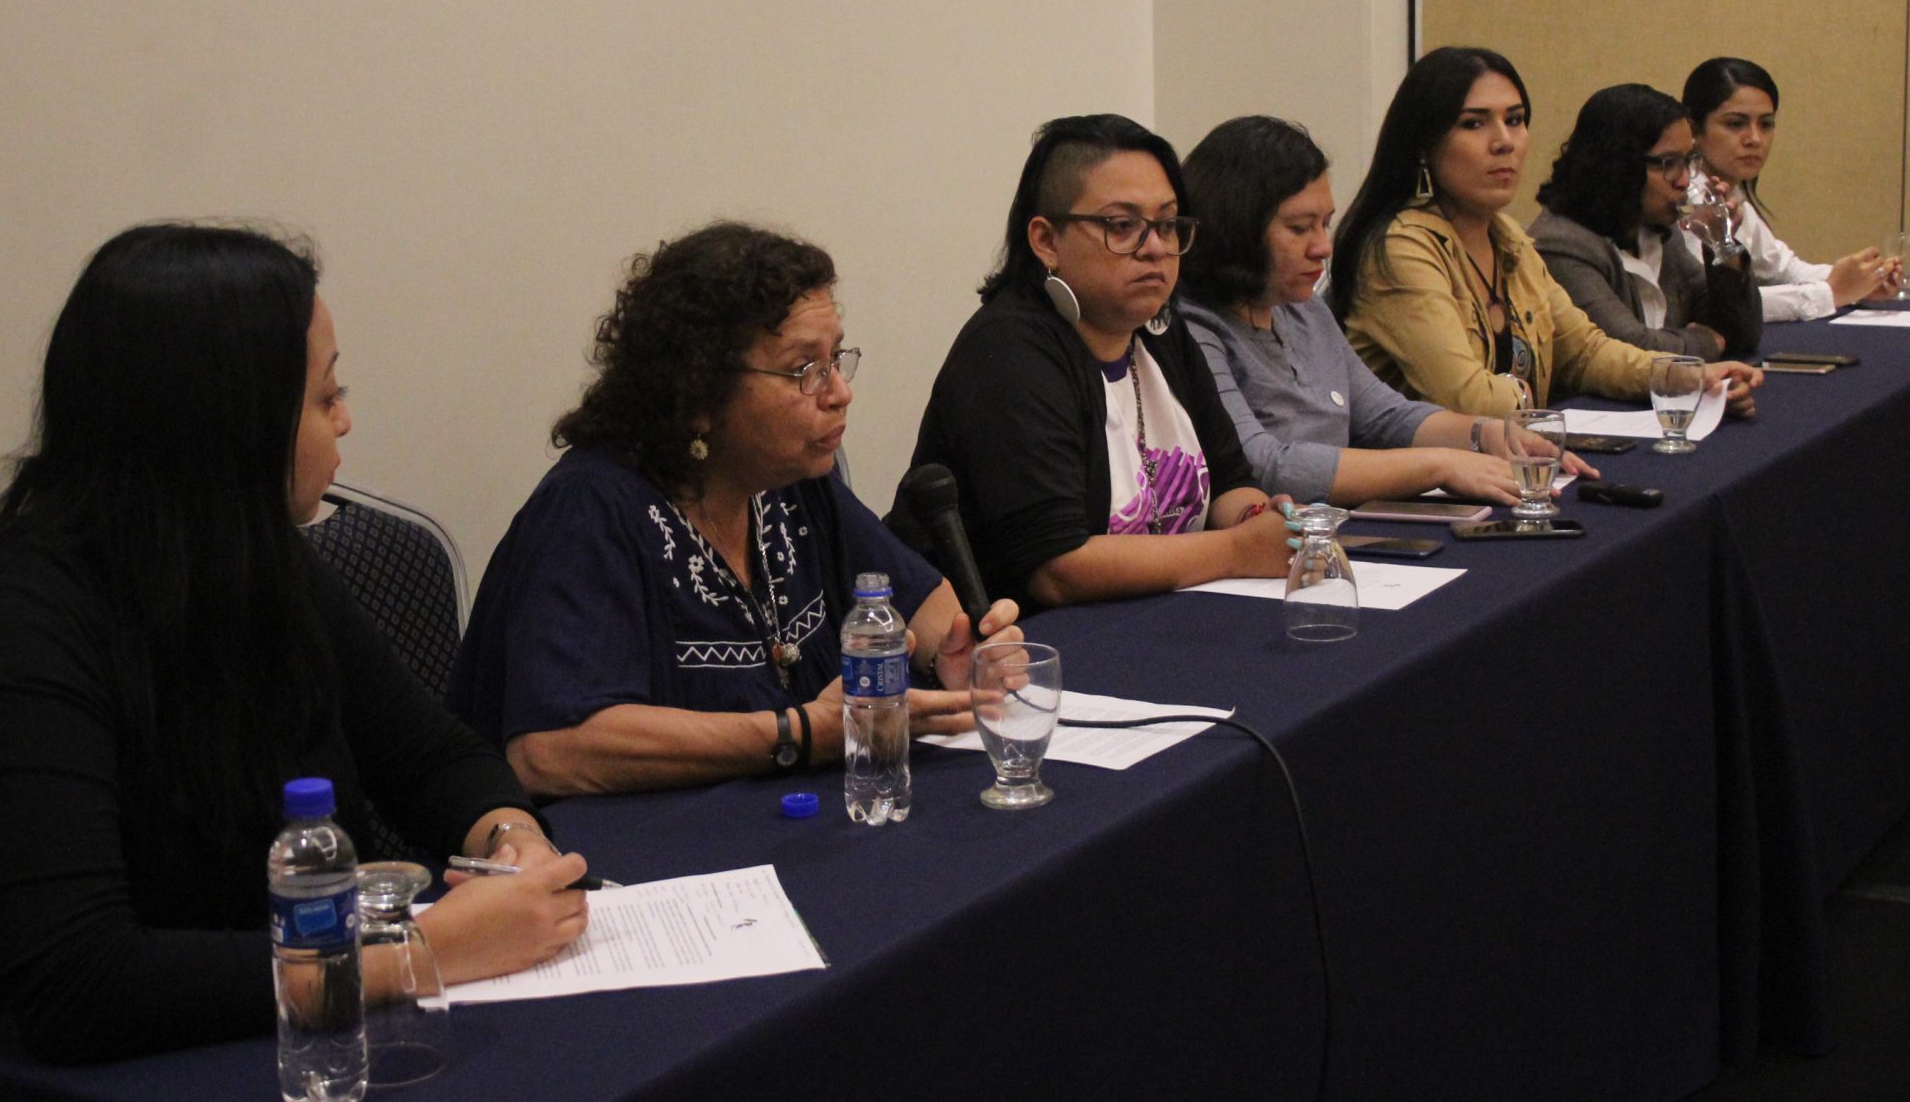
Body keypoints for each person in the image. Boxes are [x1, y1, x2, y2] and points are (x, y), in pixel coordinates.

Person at [0, 225, 588, 1102]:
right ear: (225, 423)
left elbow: (430, 757)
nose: (346, 423)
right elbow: (83, 985)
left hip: (259, 1063)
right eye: (324, 396)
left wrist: (508, 841)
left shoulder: (262, 565)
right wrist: (425, 950)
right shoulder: (14, 626)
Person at [449, 221, 1019, 797]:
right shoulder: (590, 512)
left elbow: (924, 608)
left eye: (835, 359)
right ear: (698, 394)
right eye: (804, 370)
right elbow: (551, 751)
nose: (839, 392)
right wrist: (796, 733)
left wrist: (958, 658)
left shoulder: (789, 481)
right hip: (633, 843)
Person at [889, 114, 1290, 613]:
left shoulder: (1161, 330)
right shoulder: (1008, 351)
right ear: (1046, 241)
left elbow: (1230, 481)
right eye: (1122, 226)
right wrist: (1239, 550)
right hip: (1026, 642)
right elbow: (1058, 569)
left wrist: (1260, 519)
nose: (1155, 249)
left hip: (1162, 619)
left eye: (1167, 225)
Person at [1177, 115, 1597, 505]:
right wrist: (1439, 465)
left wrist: (1486, 434)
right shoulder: (1194, 327)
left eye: (1325, 224)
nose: (1323, 247)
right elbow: (1264, 465)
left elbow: (1384, 415)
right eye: (1300, 228)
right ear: (1238, 228)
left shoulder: (1303, 311)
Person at [1330, 46, 1762, 416]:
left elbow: (1587, 353)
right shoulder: (1401, 247)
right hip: (1419, 479)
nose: (1504, 141)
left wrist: (1691, 377)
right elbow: (1469, 401)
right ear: (1424, 146)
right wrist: (1540, 404)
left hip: (1505, 464)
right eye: (1474, 123)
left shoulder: (1507, 237)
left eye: (1515, 120)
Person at [1530, 83, 1763, 359]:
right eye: (1669, 163)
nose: (1684, 180)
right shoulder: (1562, 245)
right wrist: (1706, 342)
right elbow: (1628, 348)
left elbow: (1741, 335)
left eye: (1688, 161)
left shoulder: (1659, 232)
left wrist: (1721, 244)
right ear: (1618, 165)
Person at [1681, 56, 1897, 319]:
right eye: (1735, 124)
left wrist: (1863, 280)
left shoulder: (1729, 193)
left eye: (1766, 124)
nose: (1755, 139)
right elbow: (1713, 302)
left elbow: (1784, 270)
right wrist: (1831, 293)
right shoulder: (1687, 197)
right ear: (1693, 129)